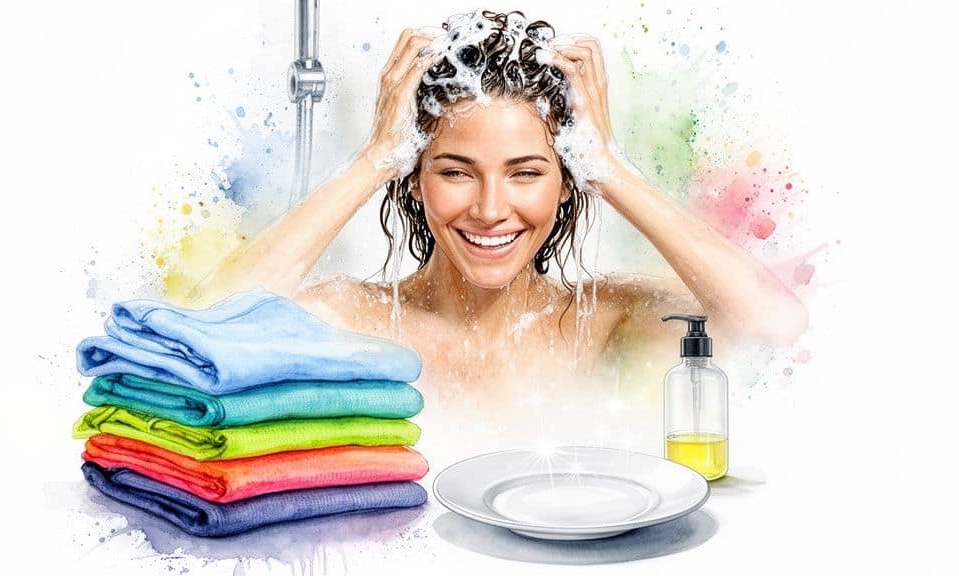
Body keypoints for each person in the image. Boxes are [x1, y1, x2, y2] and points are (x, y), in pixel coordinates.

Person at [194, 10, 807, 403]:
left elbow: (775, 325)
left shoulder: (605, 322)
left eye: (526, 173)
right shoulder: (356, 320)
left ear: (568, 180)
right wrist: (378, 154)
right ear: (414, 179)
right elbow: (198, 329)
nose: (490, 209)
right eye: (456, 172)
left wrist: (609, 165)